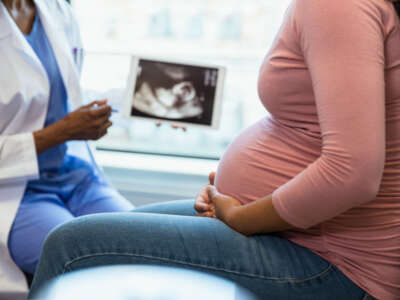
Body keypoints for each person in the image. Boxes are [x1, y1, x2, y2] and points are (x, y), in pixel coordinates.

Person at [29, 0, 400, 299]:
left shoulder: (337, 6)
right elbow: (317, 131)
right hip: (303, 232)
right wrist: (244, 188)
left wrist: (244, 216)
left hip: (337, 261)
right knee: (98, 235)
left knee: (73, 247)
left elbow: (353, 173)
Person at [0, 0, 136, 298]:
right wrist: (60, 133)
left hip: (73, 176)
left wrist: (142, 105)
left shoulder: (55, 8)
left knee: (146, 250)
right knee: (87, 273)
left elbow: (60, 94)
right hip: (14, 194)